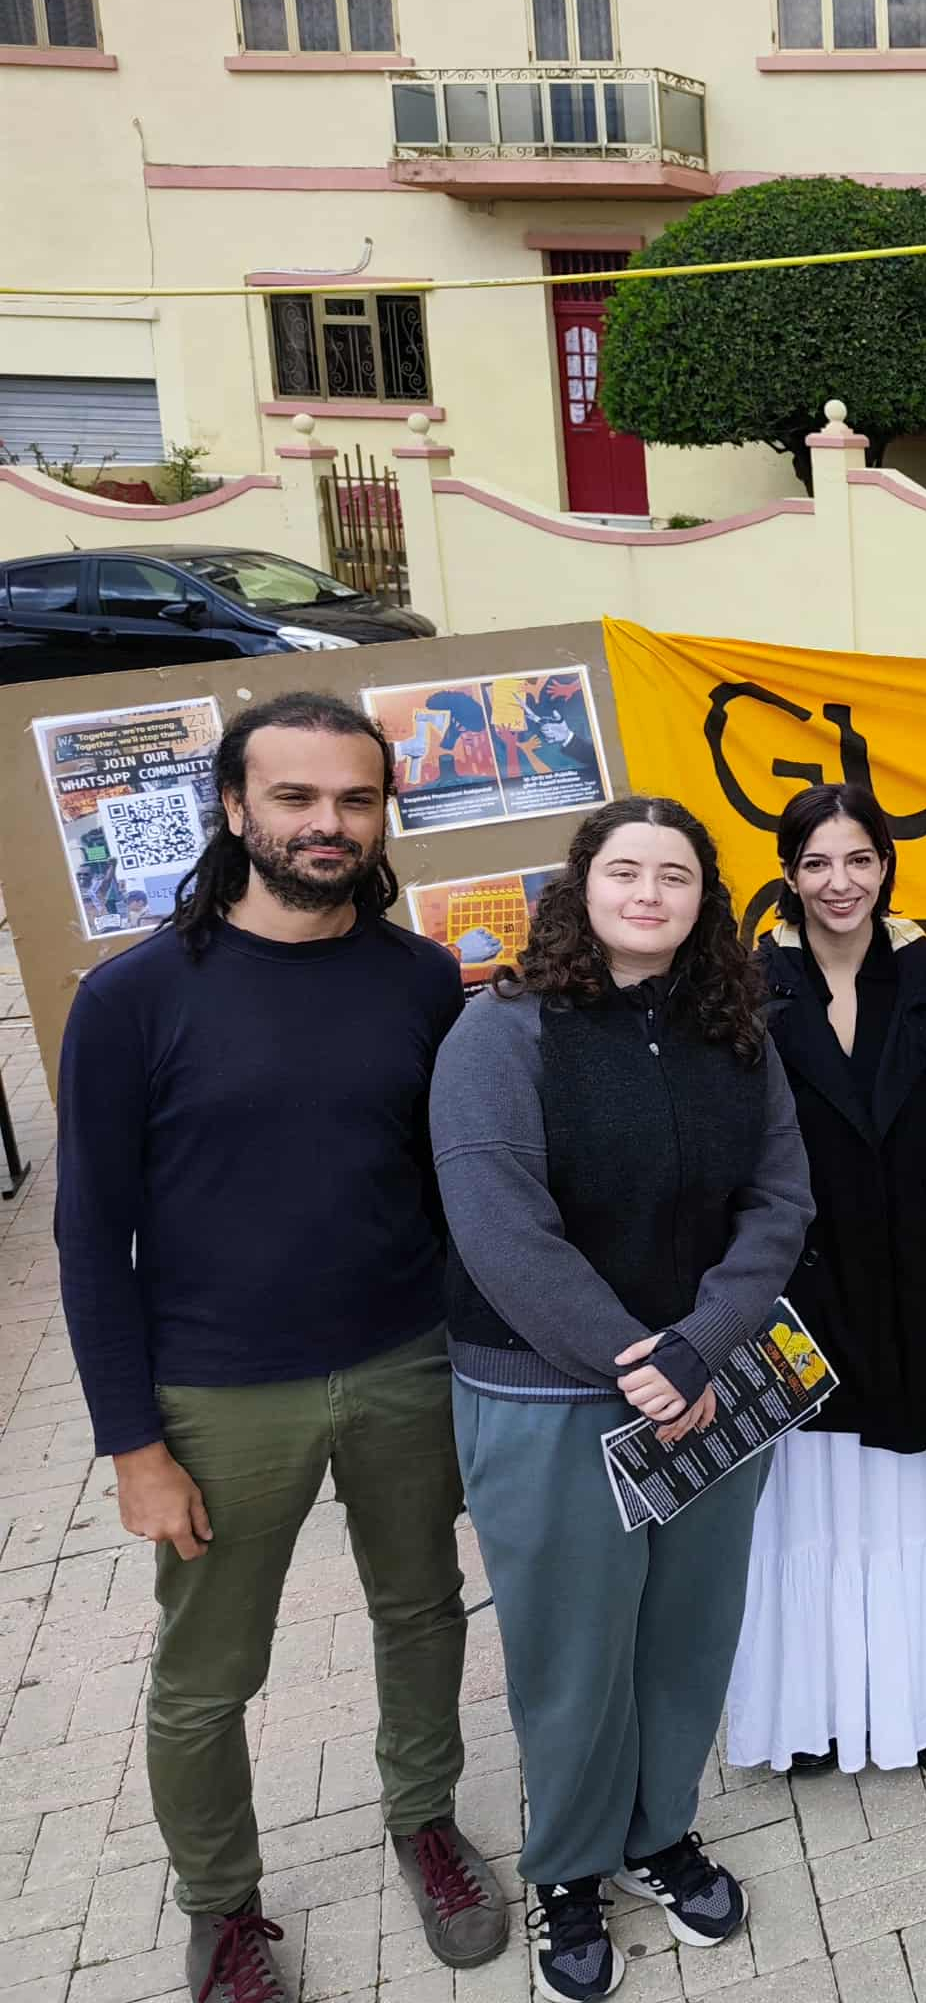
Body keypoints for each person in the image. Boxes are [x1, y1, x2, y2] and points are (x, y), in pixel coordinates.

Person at [55, 692, 505, 2003]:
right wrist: (133, 1444)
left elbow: (447, 1178)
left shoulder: (420, 976)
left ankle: (425, 1818)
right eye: (296, 798)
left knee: (420, 1609)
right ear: (236, 808)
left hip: (405, 1363)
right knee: (209, 1675)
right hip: (214, 1392)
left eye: (355, 800)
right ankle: (225, 1907)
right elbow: (91, 1238)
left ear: (384, 814)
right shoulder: (133, 999)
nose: (328, 823)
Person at [431, 797, 813, 2003]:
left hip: (708, 1389)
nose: (650, 893)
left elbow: (780, 1200)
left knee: (687, 1634)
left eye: (678, 876)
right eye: (626, 870)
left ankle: (661, 1834)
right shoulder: (501, 1034)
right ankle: (570, 1871)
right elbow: (499, 1223)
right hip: (551, 1398)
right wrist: (629, 1356)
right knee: (572, 1653)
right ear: (582, 884)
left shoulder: (735, 1029)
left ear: (705, 900)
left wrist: (701, 1345)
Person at [727, 784, 926, 1780]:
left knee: (909, 1497)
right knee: (807, 1504)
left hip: (919, 1280)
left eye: (859, 860)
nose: (839, 883)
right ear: (788, 875)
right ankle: (814, 1709)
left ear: (886, 866)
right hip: (799, 1285)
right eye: (816, 863)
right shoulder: (746, 992)